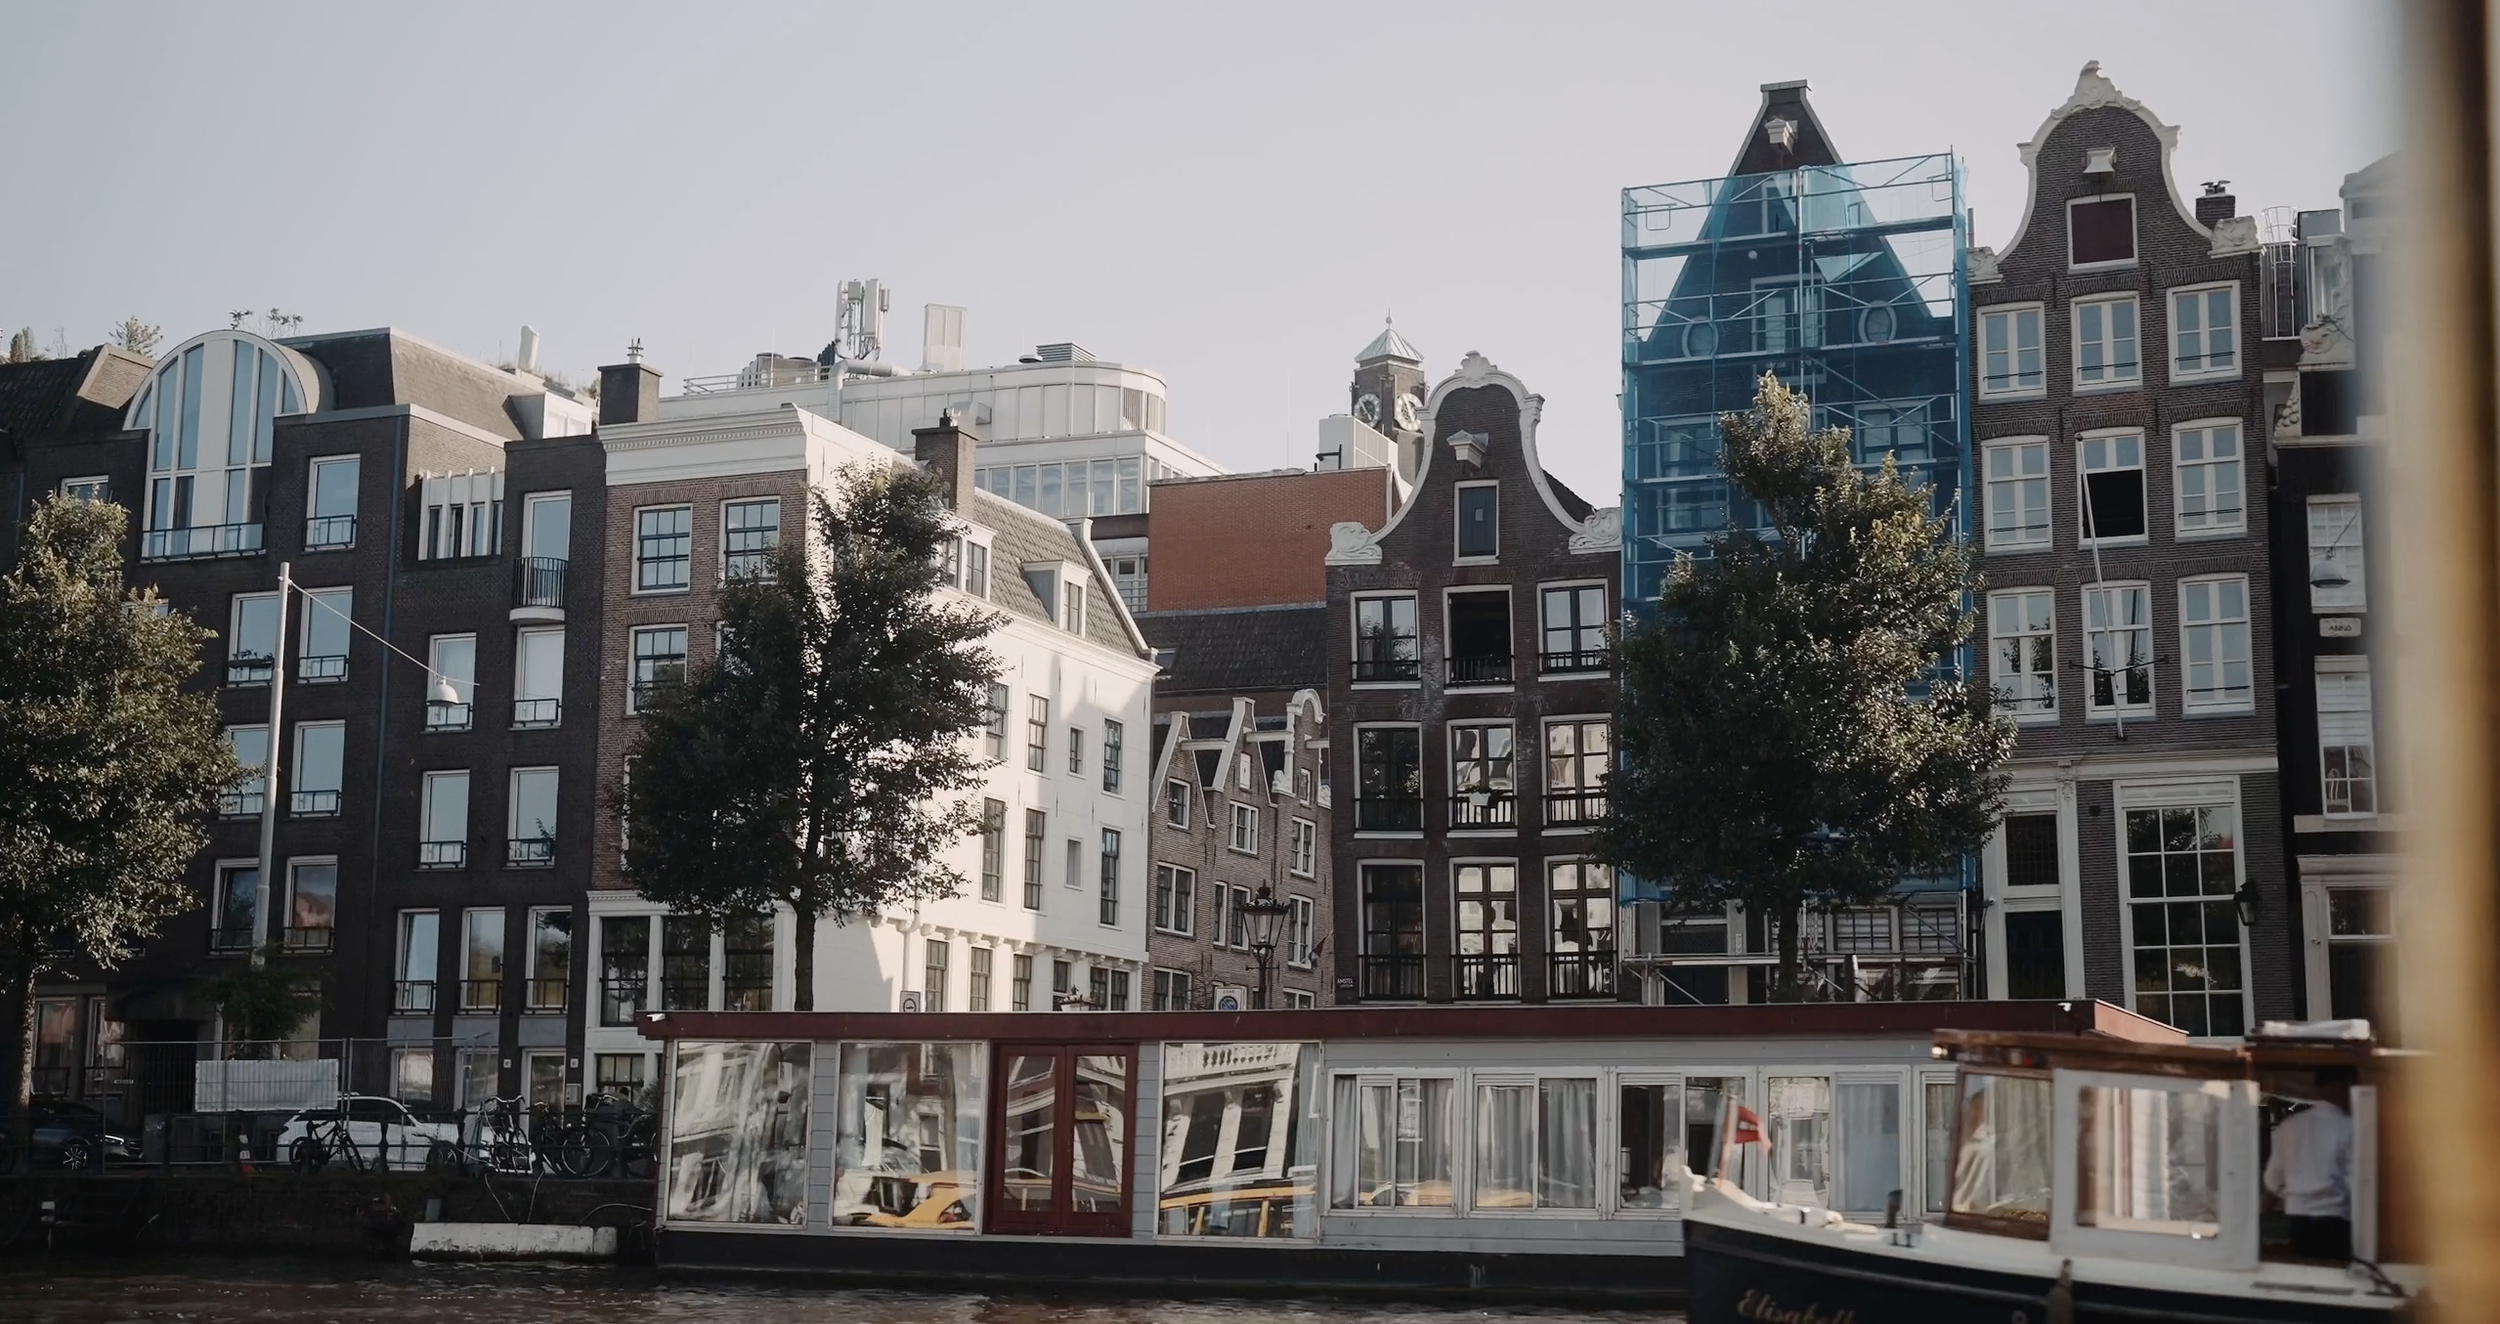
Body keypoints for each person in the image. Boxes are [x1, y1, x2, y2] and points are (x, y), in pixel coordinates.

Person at [2263, 1070, 2355, 1261]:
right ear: (2339, 1087)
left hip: (2298, 1222)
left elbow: (2273, 1181)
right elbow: (2356, 1182)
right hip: (2335, 1221)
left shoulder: (2289, 1126)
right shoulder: (2350, 1127)